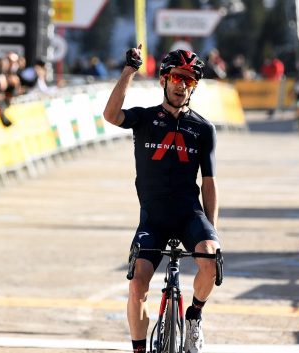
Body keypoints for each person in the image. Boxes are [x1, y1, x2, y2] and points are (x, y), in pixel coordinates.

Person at [103, 45, 221, 353]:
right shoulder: (144, 119)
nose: (182, 85)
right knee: (137, 284)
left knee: (211, 259)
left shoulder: (203, 129)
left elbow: (208, 183)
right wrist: (129, 70)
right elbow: (111, 115)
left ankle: (194, 316)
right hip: (153, 218)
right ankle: (140, 349)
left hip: (188, 214)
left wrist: (212, 229)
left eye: (189, 81)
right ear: (164, 81)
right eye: (177, 78)